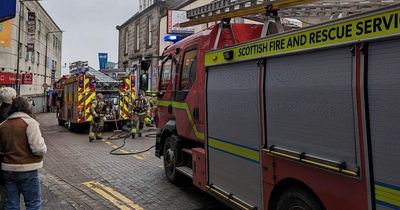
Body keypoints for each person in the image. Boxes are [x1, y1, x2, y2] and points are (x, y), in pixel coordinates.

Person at [0, 97, 47, 210]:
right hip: (28, 170)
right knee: (33, 204)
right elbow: (39, 149)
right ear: (27, 107)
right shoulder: (30, 123)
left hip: (8, 170)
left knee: (11, 204)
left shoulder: (3, 125)